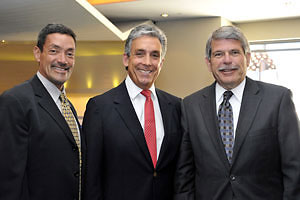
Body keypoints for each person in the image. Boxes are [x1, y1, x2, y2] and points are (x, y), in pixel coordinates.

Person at [174, 25, 300, 200]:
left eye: (234, 52)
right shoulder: (190, 105)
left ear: (247, 58)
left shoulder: (278, 99)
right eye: (218, 54)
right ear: (208, 63)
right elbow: (184, 173)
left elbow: (294, 167)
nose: (227, 60)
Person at [82, 24, 182, 200]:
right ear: (126, 59)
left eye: (155, 55)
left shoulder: (176, 106)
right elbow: (92, 178)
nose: (147, 62)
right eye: (140, 53)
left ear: (162, 62)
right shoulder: (100, 107)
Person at [0, 23, 83, 200]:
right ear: (38, 53)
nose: (63, 60)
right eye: (54, 51)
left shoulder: (68, 107)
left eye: (70, 54)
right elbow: (9, 177)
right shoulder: (16, 101)